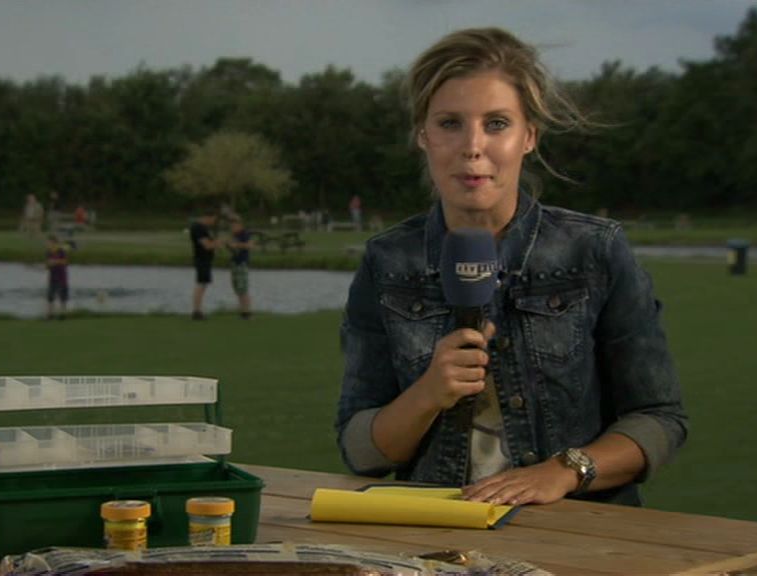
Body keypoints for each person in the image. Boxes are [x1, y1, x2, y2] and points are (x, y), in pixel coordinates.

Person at [335, 27, 687, 508]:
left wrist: (563, 472)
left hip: (576, 533)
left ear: (529, 137)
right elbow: (360, 449)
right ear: (423, 136)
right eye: (450, 123)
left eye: (497, 123)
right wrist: (428, 393)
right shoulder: (388, 261)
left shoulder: (595, 251)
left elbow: (660, 419)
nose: (472, 146)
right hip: (436, 531)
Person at [190, 208, 221, 320]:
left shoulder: (202, 228)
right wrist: (219, 243)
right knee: (201, 284)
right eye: (213, 220)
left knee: (203, 284)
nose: (213, 222)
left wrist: (215, 244)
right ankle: (196, 311)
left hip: (205, 259)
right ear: (208, 217)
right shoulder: (198, 228)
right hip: (201, 259)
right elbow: (207, 245)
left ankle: (198, 310)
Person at [227, 216, 255, 319]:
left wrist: (237, 245)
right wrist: (229, 245)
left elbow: (250, 246)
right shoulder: (234, 235)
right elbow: (232, 247)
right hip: (234, 263)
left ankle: (247, 312)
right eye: (231, 226)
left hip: (242, 264)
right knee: (237, 288)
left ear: (240, 225)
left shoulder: (245, 234)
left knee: (243, 288)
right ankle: (242, 311)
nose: (232, 228)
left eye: (234, 226)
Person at [45, 234, 70, 320]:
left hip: (62, 277)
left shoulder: (61, 251)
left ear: (54, 243)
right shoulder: (48, 252)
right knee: (50, 297)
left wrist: (55, 262)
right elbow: (48, 264)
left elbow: (65, 262)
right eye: (48, 242)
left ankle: (63, 314)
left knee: (62, 297)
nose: (48, 244)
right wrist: (48, 265)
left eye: (49, 242)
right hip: (52, 277)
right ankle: (50, 315)